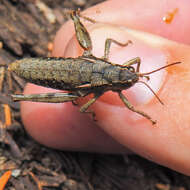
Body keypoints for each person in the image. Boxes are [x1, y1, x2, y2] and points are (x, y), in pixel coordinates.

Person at [21, 0, 190, 175]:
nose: (133, 75)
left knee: (73, 94)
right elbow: (86, 107)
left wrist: (133, 67)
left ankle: (20, 95)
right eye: (130, 71)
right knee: (76, 98)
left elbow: (115, 46)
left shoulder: (116, 64)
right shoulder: (103, 91)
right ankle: (75, 19)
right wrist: (144, 114)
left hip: (65, 72)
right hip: (57, 71)